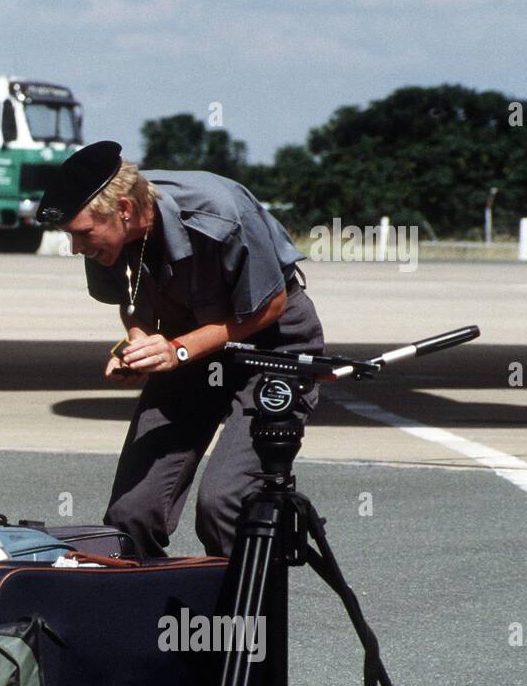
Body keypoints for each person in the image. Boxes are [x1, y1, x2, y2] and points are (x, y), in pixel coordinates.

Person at [38, 141, 325, 559]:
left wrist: (178, 351)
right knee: (132, 513)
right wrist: (137, 344)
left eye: (81, 235)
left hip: (269, 346)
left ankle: (242, 620)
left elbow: (270, 304)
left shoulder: (219, 213)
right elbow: (131, 300)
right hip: (187, 349)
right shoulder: (108, 236)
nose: (76, 248)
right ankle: (141, 614)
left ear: (124, 208)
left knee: (224, 503)